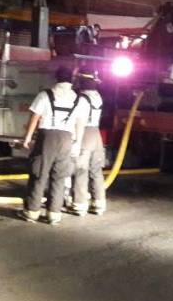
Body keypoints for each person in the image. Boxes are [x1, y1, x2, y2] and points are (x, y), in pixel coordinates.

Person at [18, 66, 87, 226]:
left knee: (39, 174)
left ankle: (32, 212)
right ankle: (54, 214)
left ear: (56, 78)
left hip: (46, 138)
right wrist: (77, 143)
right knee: (59, 176)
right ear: (72, 79)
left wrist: (27, 138)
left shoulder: (45, 95)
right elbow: (80, 123)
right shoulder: (79, 99)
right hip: (67, 139)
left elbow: (34, 118)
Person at [70, 69, 107, 216]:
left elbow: (78, 121)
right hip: (96, 134)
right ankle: (99, 203)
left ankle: (80, 204)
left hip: (85, 133)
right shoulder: (97, 96)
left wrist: (76, 141)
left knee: (81, 169)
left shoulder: (81, 99)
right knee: (96, 170)